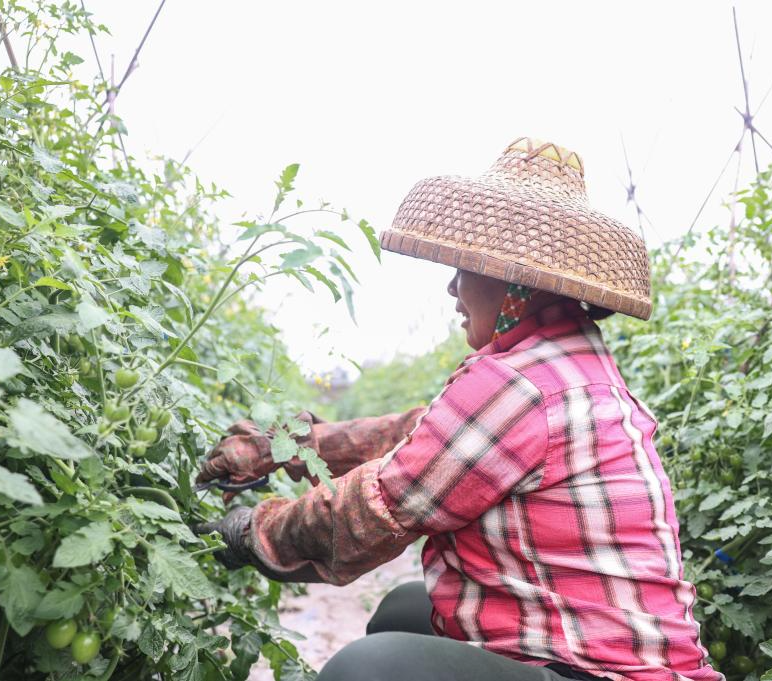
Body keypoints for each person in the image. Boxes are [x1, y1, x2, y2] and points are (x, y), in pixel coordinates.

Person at [195, 138, 723, 681]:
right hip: (607, 654)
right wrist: (280, 444)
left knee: (370, 668)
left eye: (467, 268)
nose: (452, 286)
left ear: (516, 281)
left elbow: (378, 507)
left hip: (602, 674)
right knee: (406, 607)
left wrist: (249, 533)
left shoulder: (521, 385)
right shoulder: (561, 363)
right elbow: (421, 438)